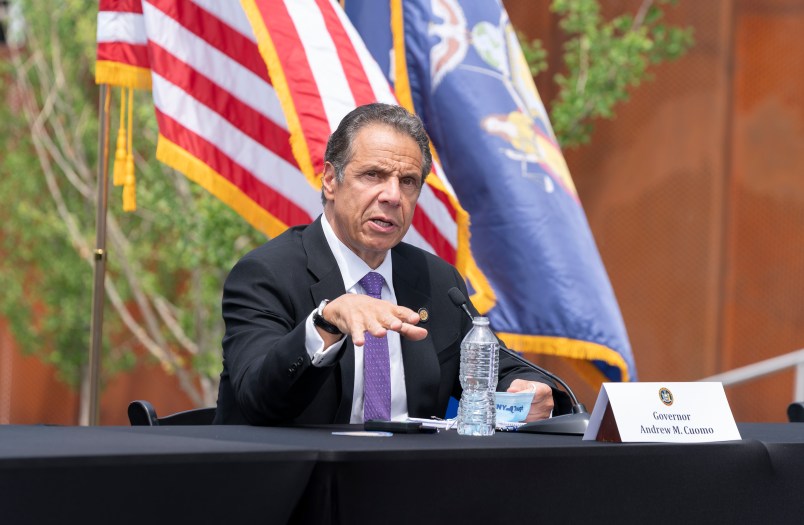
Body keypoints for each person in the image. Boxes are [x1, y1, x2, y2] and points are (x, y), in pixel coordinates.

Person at [213, 103, 570, 425]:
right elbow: (257, 397)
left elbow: (499, 368)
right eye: (373, 175)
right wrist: (325, 322)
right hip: (302, 486)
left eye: (408, 182)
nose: (392, 196)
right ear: (331, 180)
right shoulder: (267, 273)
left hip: (408, 485)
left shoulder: (436, 280)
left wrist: (528, 390)